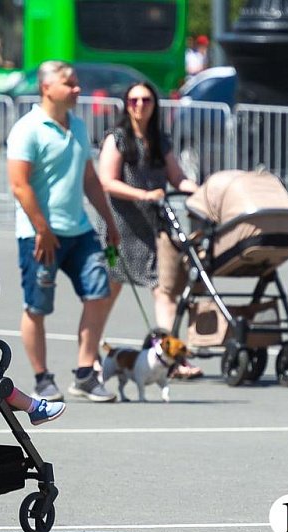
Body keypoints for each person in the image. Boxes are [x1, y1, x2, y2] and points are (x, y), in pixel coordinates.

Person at [7, 60, 122, 404]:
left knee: (99, 292)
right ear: (46, 88)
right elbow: (19, 184)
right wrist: (42, 229)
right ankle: (42, 379)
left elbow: (89, 178)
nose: (76, 89)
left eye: (76, 82)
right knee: (37, 306)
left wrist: (110, 221)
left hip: (80, 230)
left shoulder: (78, 125)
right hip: (39, 235)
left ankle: (85, 373)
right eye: (69, 83)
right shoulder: (28, 129)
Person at [97, 81, 203, 379]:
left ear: (155, 105)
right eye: (134, 100)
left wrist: (198, 191)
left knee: (163, 290)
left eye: (146, 100)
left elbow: (177, 177)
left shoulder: (160, 141)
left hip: (154, 227)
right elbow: (107, 181)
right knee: (108, 291)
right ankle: (89, 357)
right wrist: (144, 195)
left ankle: (170, 358)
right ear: (126, 105)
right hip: (120, 227)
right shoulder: (117, 138)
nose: (140, 105)